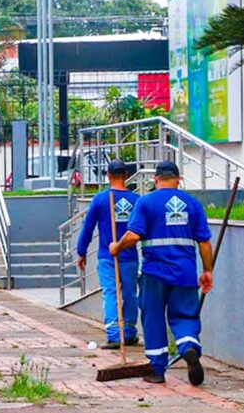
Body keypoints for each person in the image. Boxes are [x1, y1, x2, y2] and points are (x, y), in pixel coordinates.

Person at [110, 161, 213, 385]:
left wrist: (116, 247)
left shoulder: (145, 202)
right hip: (185, 273)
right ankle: (188, 346)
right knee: (185, 315)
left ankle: (157, 370)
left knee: (153, 316)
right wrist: (207, 271)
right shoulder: (193, 204)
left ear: (155, 180)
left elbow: (134, 235)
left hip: (154, 273)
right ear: (179, 180)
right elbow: (204, 242)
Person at [76, 159, 140, 350]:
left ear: (108, 176)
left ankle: (114, 334)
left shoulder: (100, 199)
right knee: (129, 293)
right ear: (126, 176)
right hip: (129, 256)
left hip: (107, 256)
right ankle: (128, 331)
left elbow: (87, 228)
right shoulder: (136, 200)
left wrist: (82, 251)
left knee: (111, 292)